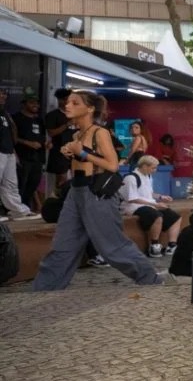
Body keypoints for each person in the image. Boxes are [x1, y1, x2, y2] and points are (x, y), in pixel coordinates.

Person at [32, 89, 164, 289]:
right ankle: (45, 287)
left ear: (90, 108)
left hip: (96, 192)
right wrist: (71, 153)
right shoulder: (77, 133)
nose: (67, 106)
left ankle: (150, 279)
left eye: (75, 103)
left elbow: (112, 165)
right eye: (68, 102)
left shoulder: (99, 132)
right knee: (63, 244)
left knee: (112, 245)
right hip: (75, 190)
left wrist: (82, 153)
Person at [120, 155, 181, 258]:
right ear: (144, 166)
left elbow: (149, 193)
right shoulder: (130, 178)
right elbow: (132, 198)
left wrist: (161, 197)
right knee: (157, 216)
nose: (155, 170)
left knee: (175, 217)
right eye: (153, 168)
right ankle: (154, 245)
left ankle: (171, 245)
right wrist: (155, 204)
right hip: (133, 206)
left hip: (148, 204)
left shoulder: (148, 176)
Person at [0, 87, 38, 221]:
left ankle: (18, 210)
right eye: (1, 93)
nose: (3, 96)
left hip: (8, 151)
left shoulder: (5, 113)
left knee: (10, 184)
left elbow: (10, 133)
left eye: (4, 94)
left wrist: (13, 151)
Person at [14, 94, 46, 211]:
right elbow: (13, 138)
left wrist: (45, 144)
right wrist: (27, 142)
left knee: (33, 184)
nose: (35, 105)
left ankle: (26, 208)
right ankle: (16, 209)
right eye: (32, 103)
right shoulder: (16, 118)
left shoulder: (38, 120)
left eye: (37, 103)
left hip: (37, 158)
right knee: (20, 184)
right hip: (23, 157)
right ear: (24, 104)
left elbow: (42, 136)